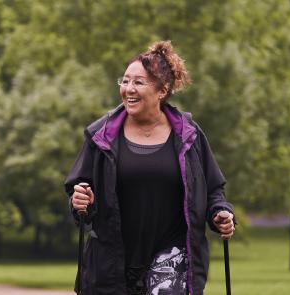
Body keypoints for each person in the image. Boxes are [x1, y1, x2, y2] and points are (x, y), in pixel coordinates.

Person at [65, 41, 235, 295]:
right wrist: (81, 201)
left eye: (138, 82)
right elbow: (79, 191)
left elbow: (213, 189)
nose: (128, 89)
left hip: (172, 261)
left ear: (162, 90)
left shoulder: (189, 135)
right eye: (124, 81)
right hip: (112, 262)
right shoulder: (102, 136)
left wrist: (220, 212)